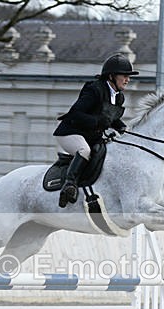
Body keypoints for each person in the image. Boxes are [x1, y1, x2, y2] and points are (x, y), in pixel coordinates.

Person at [53, 54, 138, 207]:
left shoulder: (119, 97)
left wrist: (123, 128)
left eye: (128, 76)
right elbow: (75, 113)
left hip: (91, 136)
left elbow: (110, 117)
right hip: (70, 132)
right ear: (112, 76)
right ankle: (69, 185)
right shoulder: (95, 89)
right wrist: (98, 121)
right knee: (84, 150)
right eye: (124, 76)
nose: (128, 79)